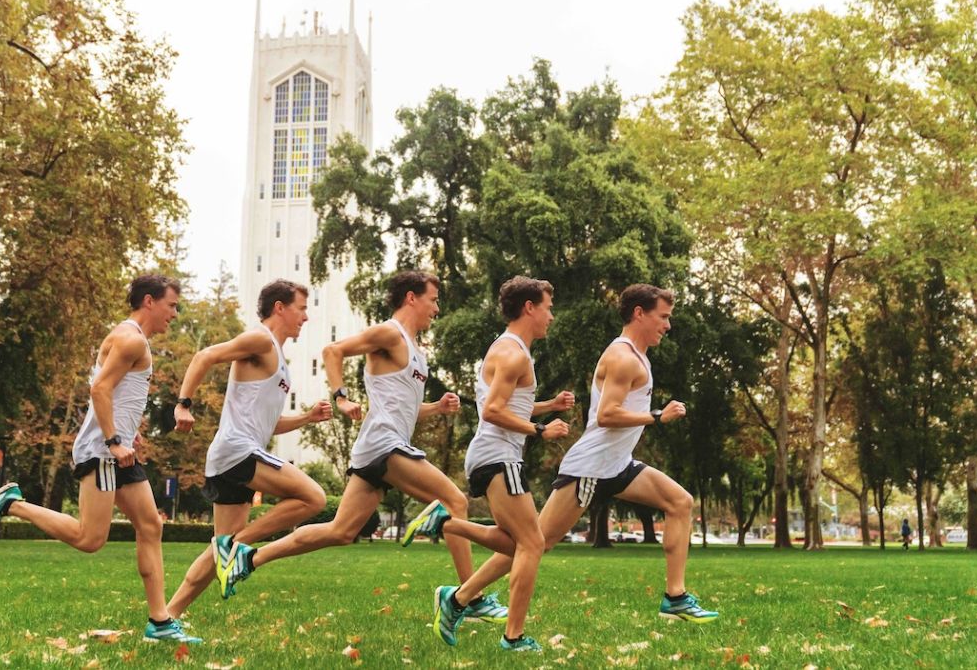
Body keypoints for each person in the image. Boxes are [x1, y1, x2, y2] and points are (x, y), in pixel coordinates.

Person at [414, 283, 718, 635]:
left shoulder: (638, 357)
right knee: (532, 543)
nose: (667, 325)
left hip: (617, 464)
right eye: (663, 317)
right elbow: (606, 415)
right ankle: (459, 596)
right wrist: (656, 416)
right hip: (591, 468)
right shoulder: (622, 357)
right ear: (639, 313)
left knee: (680, 502)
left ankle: (675, 597)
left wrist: (547, 407)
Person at [213, 271, 506, 624]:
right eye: (433, 299)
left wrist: (436, 408)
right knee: (454, 501)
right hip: (384, 445)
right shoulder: (388, 333)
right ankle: (465, 599)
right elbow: (333, 350)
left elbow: (403, 410)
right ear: (412, 298)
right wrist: (341, 397)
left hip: (379, 447)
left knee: (341, 531)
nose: (437, 308)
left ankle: (250, 558)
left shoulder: (416, 352)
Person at [0, 275, 200, 643]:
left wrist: (127, 431)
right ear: (148, 301)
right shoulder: (131, 339)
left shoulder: (129, 338)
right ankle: (12, 504)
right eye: (171, 305)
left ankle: (159, 622)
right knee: (90, 538)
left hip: (117, 448)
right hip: (103, 451)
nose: (175, 313)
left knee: (150, 525)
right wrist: (113, 440)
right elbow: (99, 388)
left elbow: (115, 393)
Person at [409, 276, 574, 651]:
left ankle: (455, 598)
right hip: (499, 455)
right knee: (533, 543)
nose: (551, 315)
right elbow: (494, 410)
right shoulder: (514, 353)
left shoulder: (505, 349)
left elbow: (507, 404)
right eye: (547, 307)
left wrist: (547, 406)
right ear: (529, 307)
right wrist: (539, 429)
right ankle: (513, 637)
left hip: (491, 455)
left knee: (517, 544)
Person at [165, 279, 332, 617]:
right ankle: (238, 548)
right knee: (314, 498)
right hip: (237, 452)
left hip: (234, 455)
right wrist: (183, 404)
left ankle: (165, 617)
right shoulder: (261, 340)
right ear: (280, 308)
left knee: (217, 553)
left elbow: (268, 424)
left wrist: (306, 417)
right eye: (302, 308)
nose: (306, 317)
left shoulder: (278, 358)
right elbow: (205, 355)